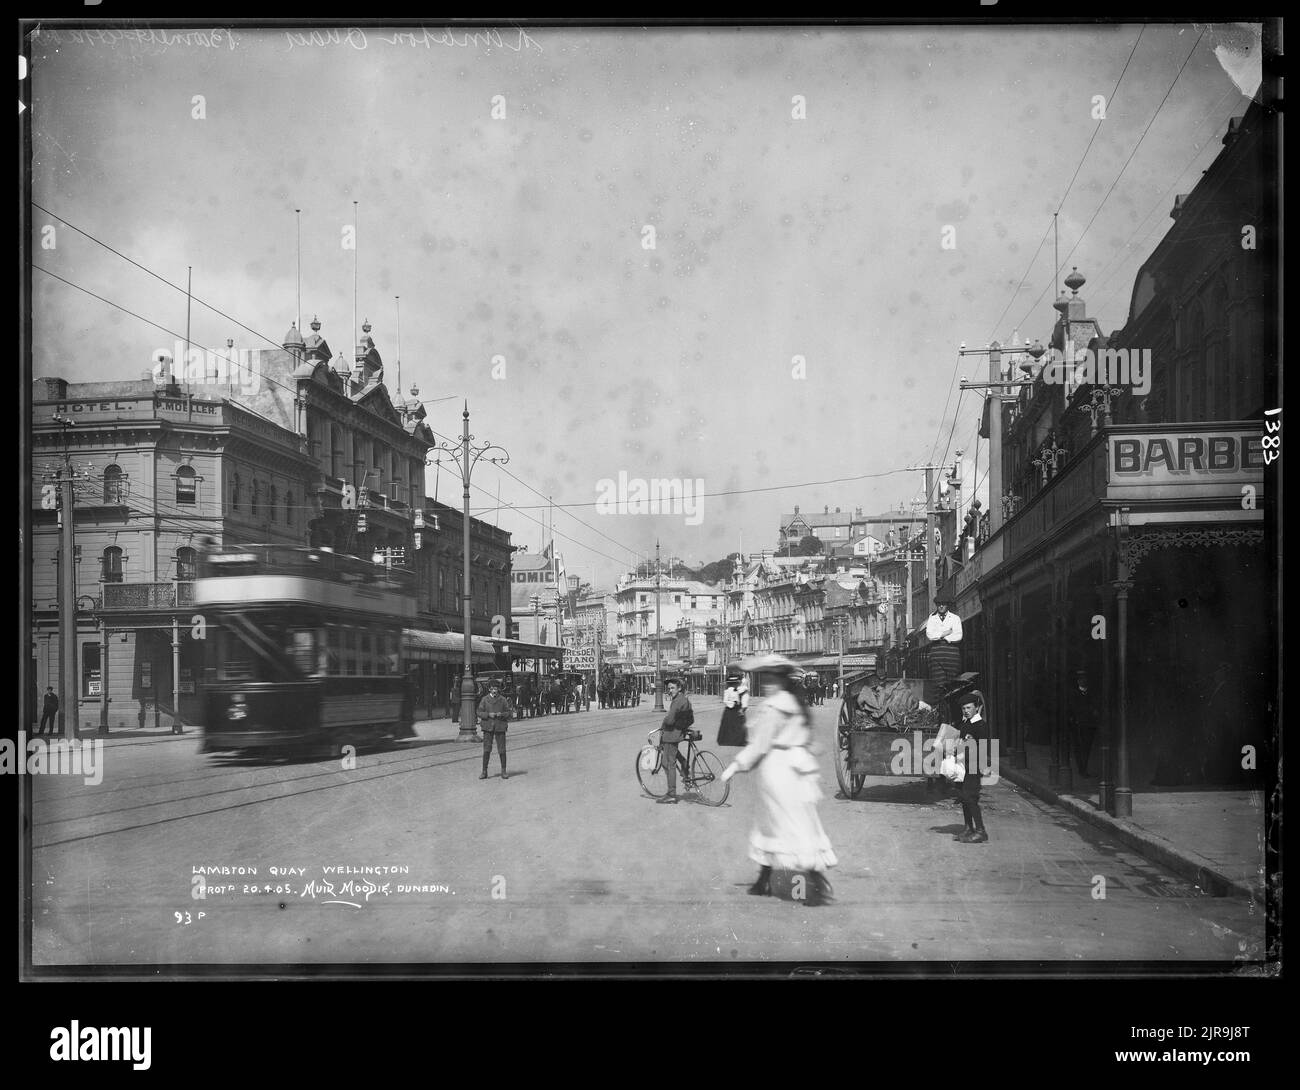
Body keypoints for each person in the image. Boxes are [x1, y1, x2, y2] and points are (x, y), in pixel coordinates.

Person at [721, 653, 837, 905]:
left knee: (782, 823)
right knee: (788, 822)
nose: (767, 685)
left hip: (778, 770)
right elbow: (806, 737)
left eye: (771, 680)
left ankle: (815, 885)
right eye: (766, 680)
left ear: (781, 682)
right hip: (797, 768)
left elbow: (760, 744)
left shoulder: (775, 706)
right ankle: (765, 880)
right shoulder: (795, 703)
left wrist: (735, 766)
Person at [955, 692, 989, 843]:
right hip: (963, 766)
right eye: (963, 708)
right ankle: (968, 828)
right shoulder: (966, 724)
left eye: (969, 707)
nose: (966, 711)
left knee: (971, 797)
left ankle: (981, 831)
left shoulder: (980, 726)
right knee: (963, 797)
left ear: (977, 708)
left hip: (974, 767)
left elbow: (983, 748)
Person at [657, 677, 695, 803]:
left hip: (672, 734)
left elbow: (670, 719)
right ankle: (684, 764)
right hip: (679, 732)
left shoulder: (678, 701)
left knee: (668, 763)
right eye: (669, 688)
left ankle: (671, 794)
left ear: (679, 688)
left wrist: (663, 723)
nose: (670, 691)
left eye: (672, 688)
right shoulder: (684, 699)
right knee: (672, 755)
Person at [925, 594, 963, 691]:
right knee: (938, 683)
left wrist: (943, 638)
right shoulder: (932, 618)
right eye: (939, 604)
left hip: (951, 654)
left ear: (947, 605)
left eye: (943, 604)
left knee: (952, 683)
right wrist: (946, 633)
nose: (941, 606)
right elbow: (930, 635)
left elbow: (958, 636)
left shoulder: (955, 618)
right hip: (936, 654)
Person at [477, 681, 514, 780]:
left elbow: (509, 713)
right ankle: (484, 771)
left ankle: (503, 771)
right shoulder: (484, 699)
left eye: (496, 689)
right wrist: (488, 715)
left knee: (502, 749)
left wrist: (501, 714)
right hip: (488, 726)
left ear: (499, 690)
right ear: (489, 689)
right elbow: (479, 712)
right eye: (492, 688)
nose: (494, 691)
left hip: (500, 726)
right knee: (487, 749)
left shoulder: (503, 700)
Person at [1066, 668, 1097, 777]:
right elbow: (1073, 708)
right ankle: (1082, 769)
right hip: (1078, 725)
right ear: (1078, 681)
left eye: (1084, 679)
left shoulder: (1091, 693)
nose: (1082, 681)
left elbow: (1094, 707)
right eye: (1080, 679)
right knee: (1079, 748)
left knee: (1087, 748)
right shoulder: (1074, 694)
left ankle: (1084, 768)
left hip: (1089, 725)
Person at [717, 670, 749, 747]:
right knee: (729, 725)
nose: (734, 685)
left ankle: (738, 740)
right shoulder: (727, 691)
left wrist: (742, 706)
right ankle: (727, 740)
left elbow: (744, 697)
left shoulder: (741, 690)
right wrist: (732, 703)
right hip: (730, 709)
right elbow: (725, 700)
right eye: (733, 683)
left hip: (737, 709)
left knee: (738, 725)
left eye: (736, 683)